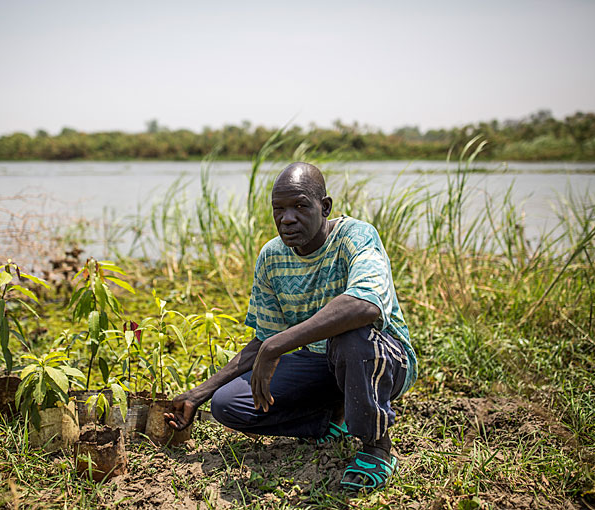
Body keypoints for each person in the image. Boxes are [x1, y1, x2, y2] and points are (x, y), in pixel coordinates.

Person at [164, 161, 417, 491]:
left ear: (324, 207)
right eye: (278, 209)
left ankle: (377, 448)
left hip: (382, 358)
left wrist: (277, 346)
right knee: (229, 404)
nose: (287, 218)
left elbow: (364, 305)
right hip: (322, 364)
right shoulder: (272, 257)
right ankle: (331, 420)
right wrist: (198, 394)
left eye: (300, 206)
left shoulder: (356, 237)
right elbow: (263, 341)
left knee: (350, 338)